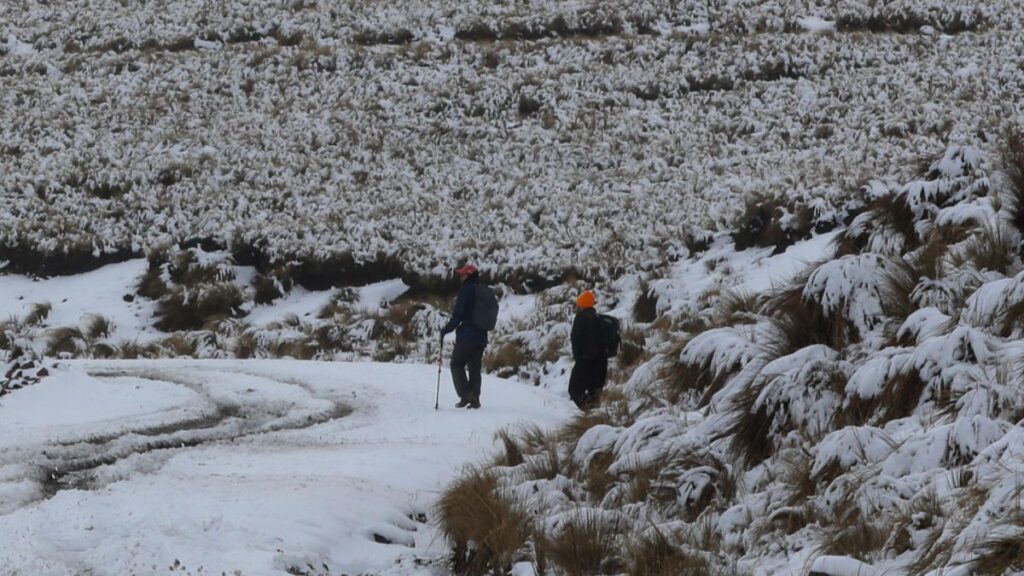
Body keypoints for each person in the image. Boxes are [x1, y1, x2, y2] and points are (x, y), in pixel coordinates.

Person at [440, 264, 488, 409]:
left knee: (456, 364)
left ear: (468, 276)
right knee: (474, 367)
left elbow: (458, 316)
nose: (460, 277)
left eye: (462, 275)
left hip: (467, 336)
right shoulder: (483, 290)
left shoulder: (466, 290)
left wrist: (445, 330)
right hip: (482, 337)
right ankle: (475, 399)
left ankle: (466, 394)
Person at [569, 290, 608, 410]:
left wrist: (577, 358)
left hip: (585, 361)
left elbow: (575, 340)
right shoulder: (598, 318)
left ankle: (589, 412)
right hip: (602, 362)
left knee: (574, 390)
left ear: (582, 304)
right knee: (594, 394)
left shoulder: (581, 318)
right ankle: (595, 418)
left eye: (579, 303)